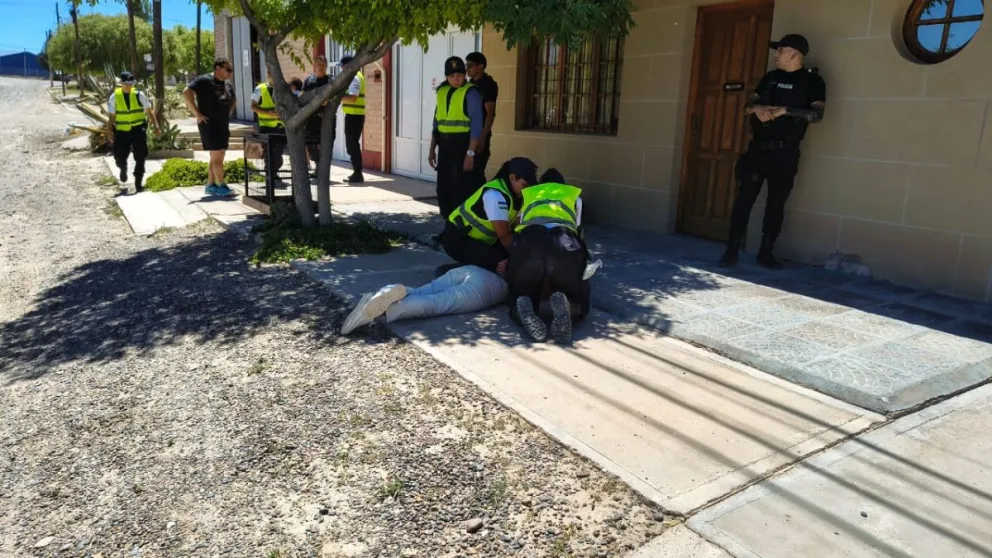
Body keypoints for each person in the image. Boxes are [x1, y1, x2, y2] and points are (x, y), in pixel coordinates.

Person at [719, 33, 826, 270]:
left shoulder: (812, 82)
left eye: (780, 50)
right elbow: (746, 107)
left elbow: (817, 115)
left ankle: (766, 252)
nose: (776, 55)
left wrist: (784, 111)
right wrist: (757, 109)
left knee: (776, 204)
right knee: (743, 200)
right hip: (758, 150)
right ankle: (731, 250)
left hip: (785, 153)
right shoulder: (770, 78)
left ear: (794, 54)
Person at [506, 169, 589, 344]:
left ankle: (522, 307)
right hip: (563, 242)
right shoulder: (573, 197)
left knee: (521, 288)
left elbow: (519, 225)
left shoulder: (531, 195)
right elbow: (578, 230)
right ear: (562, 184)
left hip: (529, 243)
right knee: (575, 286)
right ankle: (571, 306)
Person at [340, 265, 508, 335]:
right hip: (493, 287)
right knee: (437, 303)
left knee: (424, 291)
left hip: (473, 269)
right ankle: (383, 310)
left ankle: (385, 293)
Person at [441, 157, 537, 274]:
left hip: (479, 240)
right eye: (525, 186)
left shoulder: (515, 195)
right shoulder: (495, 196)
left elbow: (517, 224)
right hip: (458, 239)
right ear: (512, 178)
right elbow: (505, 237)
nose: (527, 190)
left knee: (510, 257)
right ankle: (454, 273)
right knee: (503, 263)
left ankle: (471, 265)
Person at [428, 56, 486, 220]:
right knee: (444, 188)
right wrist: (432, 149)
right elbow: (436, 123)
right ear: (446, 76)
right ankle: (447, 225)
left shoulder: (471, 92)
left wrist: (470, 153)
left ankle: (461, 227)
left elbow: (477, 126)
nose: (456, 79)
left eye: (460, 75)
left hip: (463, 145)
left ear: (465, 74)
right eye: (452, 76)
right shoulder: (441, 91)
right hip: (445, 146)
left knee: (461, 189)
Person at [184, 58, 237, 196]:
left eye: (231, 70)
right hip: (209, 125)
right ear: (218, 68)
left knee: (217, 156)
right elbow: (186, 91)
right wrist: (197, 113)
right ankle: (222, 186)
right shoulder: (204, 80)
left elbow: (233, 100)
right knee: (218, 155)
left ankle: (210, 185)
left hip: (222, 125)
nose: (230, 73)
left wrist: (226, 113)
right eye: (228, 70)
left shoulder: (227, 84)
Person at [108, 71, 157, 195]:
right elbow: (112, 117)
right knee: (119, 157)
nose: (129, 86)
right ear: (121, 84)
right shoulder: (114, 97)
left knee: (140, 157)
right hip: (121, 131)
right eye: (127, 83)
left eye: (131, 83)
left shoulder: (139, 95)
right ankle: (123, 168)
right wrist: (109, 132)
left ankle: (138, 183)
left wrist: (156, 126)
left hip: (138, 130)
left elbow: (149, 112)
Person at [465, 52, 498, 184]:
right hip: (468, 134)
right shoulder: (469, 84)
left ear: (481, 66)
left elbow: (490, 113)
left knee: (476, 172)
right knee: (466, 173)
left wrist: (482, 137)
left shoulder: (488, 84)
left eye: (470, 65)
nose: (467, 69)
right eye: (466, 65)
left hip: (479, 135)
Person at [250, 74, 286, 185]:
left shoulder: (282, 88)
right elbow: (253, 107)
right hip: (266, 126)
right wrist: (267, 113)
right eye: (271, 74)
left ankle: (274, 174)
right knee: (269, 153)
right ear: (268, 75)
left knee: (278, 153)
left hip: (280, 127)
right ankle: (270, 177)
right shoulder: (260, 88)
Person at [302, 55, 334, 171]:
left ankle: (322, 170)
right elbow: (303, 97)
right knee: (310, 144)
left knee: (326, 146)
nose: (322, 67)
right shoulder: (309, 81)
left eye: (324, 65)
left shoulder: (331, 81)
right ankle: (317, 163)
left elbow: (335, 98)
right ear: (314, 65)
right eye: (320, 65)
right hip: (311, 119)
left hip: (327, 119)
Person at [339, 55, 366, 183]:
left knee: (352, 145)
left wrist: (337, 97)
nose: (342, 70)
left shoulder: (355, 78)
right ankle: (357, 172)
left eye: (343, 67)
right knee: (352, 145)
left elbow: (353, 98)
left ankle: (358, 173)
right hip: (353, 115)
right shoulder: (355, 76)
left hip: (355, 115)